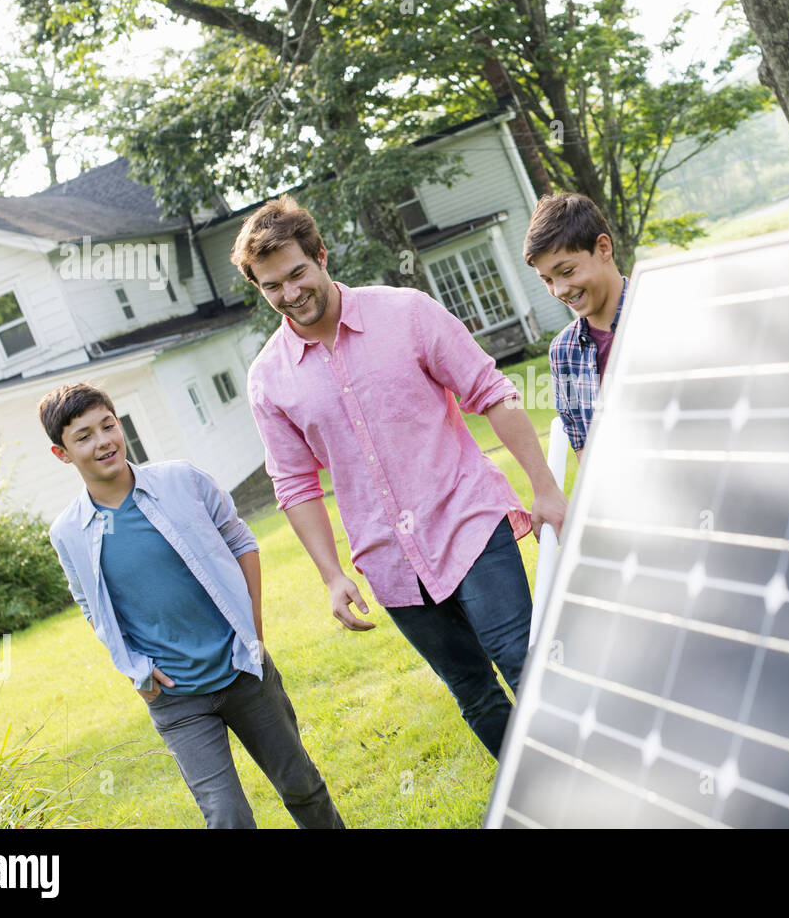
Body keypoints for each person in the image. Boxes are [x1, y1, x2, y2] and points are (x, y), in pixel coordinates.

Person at [233, 195, 567, 760]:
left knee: (521, 657)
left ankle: (595, 783)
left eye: (296, 273)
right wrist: (331, 575)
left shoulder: (406, 312)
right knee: (475, 694)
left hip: (468, 517)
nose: (289, 294)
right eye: (272, 286)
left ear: (321, 255)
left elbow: (491, 392)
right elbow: (294, 485)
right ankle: (538, 805)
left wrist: (545, 487)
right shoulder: (269, 379)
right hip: (388, 557)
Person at [41, 382, 345, 829]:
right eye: (83, 436)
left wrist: (254, 631)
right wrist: (135, 667)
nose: (103, 441)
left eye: (108, 425)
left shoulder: (181, 481)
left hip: (242, 669)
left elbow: (240, 539)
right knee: (226, 817)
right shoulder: (68, 532)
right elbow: (93, 606)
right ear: (62, 453)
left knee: (301, 785)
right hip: (174, 697)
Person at [524, 192, 630, 461]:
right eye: (547, 279)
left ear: (603, 248)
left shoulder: (658, 313)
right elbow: (582, 444)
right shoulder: (563, 351)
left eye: (567, 271)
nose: (559, 290)